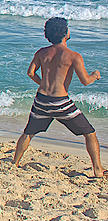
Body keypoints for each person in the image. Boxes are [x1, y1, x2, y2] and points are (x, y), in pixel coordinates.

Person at [12, 17, 105, 177]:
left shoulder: (42, 52)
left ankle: (15, 163)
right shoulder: (73, 56)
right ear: (65, 33)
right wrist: (95, 76)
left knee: (29, 132)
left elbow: (30, 73)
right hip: (61, 103)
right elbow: (85, 81)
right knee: (90, 133)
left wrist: (42, 84)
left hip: (41, 100)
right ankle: (98, 170)